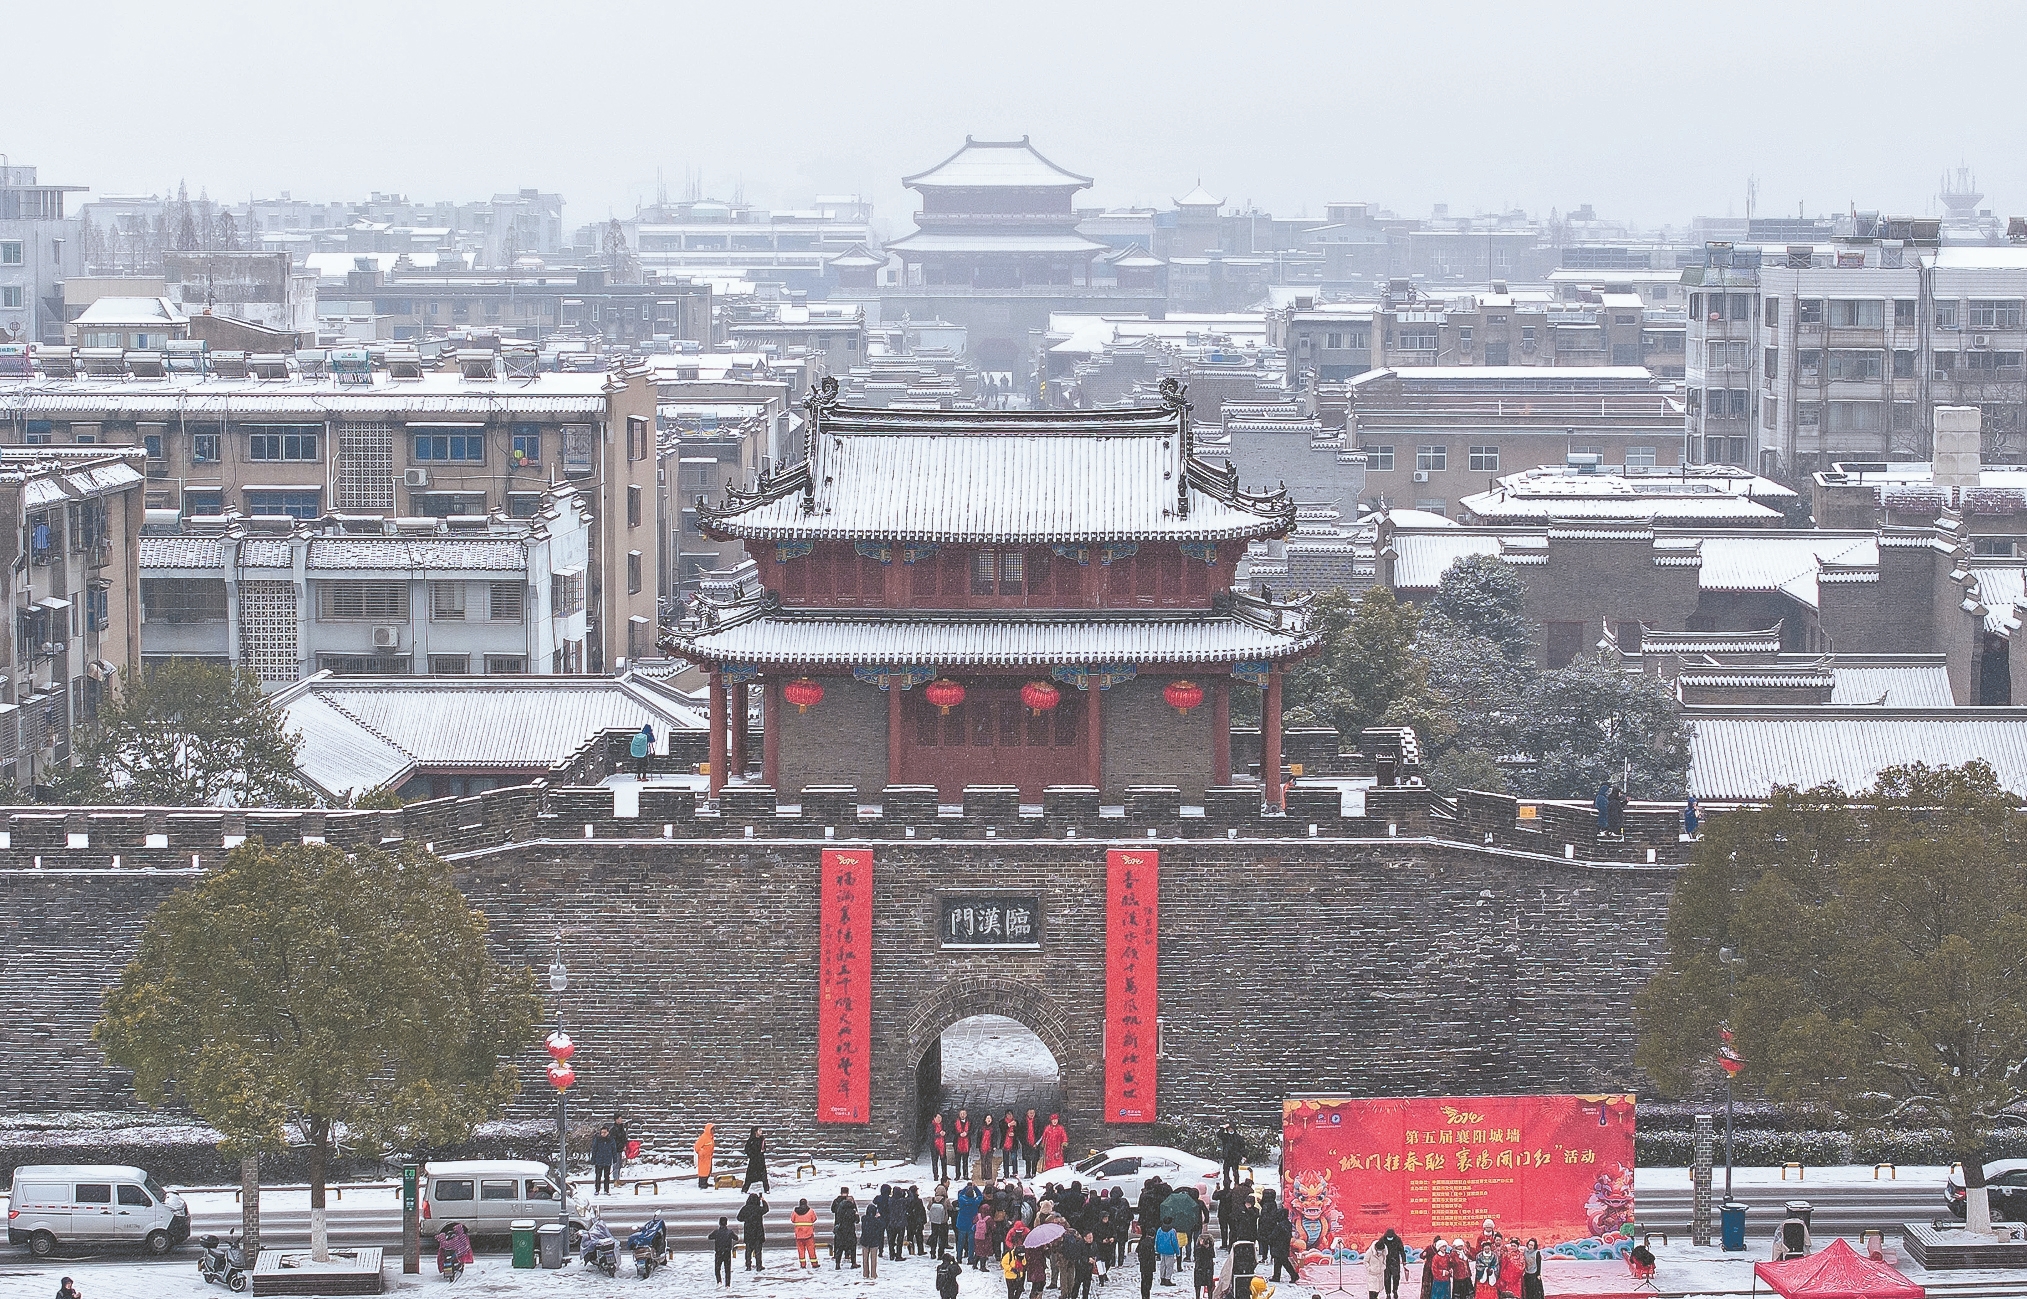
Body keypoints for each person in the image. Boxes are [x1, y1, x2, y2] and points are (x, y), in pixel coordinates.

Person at [1259, 1191, 1295, 1283]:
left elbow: (1273, 1235)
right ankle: (1276, 1276)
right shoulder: (1287, 1224)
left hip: (1279, 1246)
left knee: (1283, 1262)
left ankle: (1293, 1275)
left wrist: (1266, 1239)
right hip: (1283, 1246)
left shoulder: (1279, 1226)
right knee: (1279, 1261)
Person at [738, 1191, 769, 1270]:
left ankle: (748, 1265)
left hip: (748, 1232)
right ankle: (759, 1266)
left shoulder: (745, 1208)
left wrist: (747, 1219)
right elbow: (766, 1209)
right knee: (758, 1250)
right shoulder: (758, 1209)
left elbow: (739, 1218)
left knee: (748, 1250)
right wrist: (763, 1200)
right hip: (758, 1232)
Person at [957, 1180, 985, 1264]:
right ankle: (970, 1258)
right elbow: (980, 1196)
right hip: (971, 1224)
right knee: (971, 1243)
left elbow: (960, 1194)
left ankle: (959, 1258)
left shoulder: (961, 1200)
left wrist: (967, 1187)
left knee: (960, 1243)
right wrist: (975, 1188)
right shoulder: (975, 1202)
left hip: (961, 1223)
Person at [831, 1186, 859, 1269]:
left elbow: (832, 1210)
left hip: (839, 1226)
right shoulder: (852, 1207)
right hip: (850, 1228)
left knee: (839, 1244)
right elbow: (856, 1220)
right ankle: (850, 1258)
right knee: (852, 1244)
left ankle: (837, 1261)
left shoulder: (837, 1202)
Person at [1138, 1209, 1161, 1299]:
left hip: (1143, 1266)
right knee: (1147, 1282)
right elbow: (1149, 1256)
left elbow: (1140, 1254)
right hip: (1148, 1266)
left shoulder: (1143, 1242)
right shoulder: (1150, 1244)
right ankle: (1146, 1296)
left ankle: (1144, 1295)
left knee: (1144, 1281)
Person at [709, 1216, 739, 1287]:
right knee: (727, 1270)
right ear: (726, 1223)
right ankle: (727, 1285)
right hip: (727, 1253)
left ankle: (719, 1282)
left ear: (719, 1223)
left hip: (719, 1252)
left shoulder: (716, 1232)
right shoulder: (730, 1232)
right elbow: (736, 1238)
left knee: (717, 1268)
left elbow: (710, 1237)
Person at [792, 1197, 819, 1268]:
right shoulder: (810, 1211)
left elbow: (792, 1220)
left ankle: (803, 1264)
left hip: (799, 1234)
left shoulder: (795, 1211)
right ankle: (814, 1264)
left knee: (801, 1250)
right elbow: (814, 1219)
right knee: (811, 1250)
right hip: (808, 1234)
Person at [861, 1198, 884, 1279]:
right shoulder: (876, 1221)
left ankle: (865, 1273)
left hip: (865, 1240)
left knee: (865, 1259)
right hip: (874, 1241)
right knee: (873, 1259)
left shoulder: (864, 1219)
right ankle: (873, 1274)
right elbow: (881, 1226)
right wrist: (879, 1217)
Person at [591, 1124, 617, 1195]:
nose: (603, 1134)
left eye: (604, 1132)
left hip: (607, 1160)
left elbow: (614, 1149)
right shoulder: (597, 1139)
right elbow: (594, 1149)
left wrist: (615, 1159)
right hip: (599, 1160)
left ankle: (606, 1190)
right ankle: (597, 1189)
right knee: (598, 1176)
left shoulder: (611, 1139)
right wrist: (593, 1159)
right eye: (602, 1132)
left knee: (607, 1176)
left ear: (608, 1132)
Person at [743, 1126, 770, 1193]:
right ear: (755, 1132)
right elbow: (747, 1150)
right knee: (749, 1176)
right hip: (753, 1161)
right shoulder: (751, 1140)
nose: (761, 1132)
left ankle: (766, 1189)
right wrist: (753, 1155)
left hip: (760, 1160)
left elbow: (764, 1148)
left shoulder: (762, 1139)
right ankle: (745, 1189)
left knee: (764, 1176)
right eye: (759, 1130)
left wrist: (763, 1151)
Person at [1379, 1229, 1405, 1299]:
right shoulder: (1382, 1240)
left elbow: (1402, 1250)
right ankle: (1388, 1293)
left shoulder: (1397, 1240)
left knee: (1396, 1278)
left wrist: (1404, 1261)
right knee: (1387, 1279)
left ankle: (1395, 1290)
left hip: (1395, 1262)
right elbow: (1378, 1250)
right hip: (1386, 1263)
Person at [1219, 1123, 1245, 1189]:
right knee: (1226, 1172)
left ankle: (1236, 1184)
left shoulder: (1238, 1137)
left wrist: (1243, 1156)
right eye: (1229, 1129)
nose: (1230, 1130)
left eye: (1231, 1129)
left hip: (1235, 1157)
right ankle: (1226, 1185)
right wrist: (1223, 1128)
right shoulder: (1225, 1137)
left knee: (1235, 1172)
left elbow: (1243, 1147)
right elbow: (1219, 1135)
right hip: (1227, 1157)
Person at [1157, 1217, 1181, 1286]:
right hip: (1170, 1251)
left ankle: (1162, 1278)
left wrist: (1157, 1249)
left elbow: (1157, 1240)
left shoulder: (1159, 1230)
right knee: (1169, 1266)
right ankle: (1167, 1279)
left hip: (1162, 1250)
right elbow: (1174, 1242)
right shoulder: (1172, 1231)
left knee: (1162, 1265)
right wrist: (1177, 1252)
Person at [930, 1184, 952, 1256]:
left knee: (934, 1236)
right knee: (942, 1238)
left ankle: (933, 1252)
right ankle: (940, 1253)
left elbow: (928, 1207)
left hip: (934, 1222)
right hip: (943, 1222)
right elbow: (950, 1208)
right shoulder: (946, 1200)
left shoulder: (932, 1199)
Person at [1195, 1232, 1218, 1299]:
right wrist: (1202, 1247)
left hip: (1205, 1267)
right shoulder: (1199, 1248)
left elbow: (1212, 1255)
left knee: (1207, 1284)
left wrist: (1207, 1247)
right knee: (1200, 1285)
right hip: (1203, 1268)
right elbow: (1197, 1255)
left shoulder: (1209, 1248)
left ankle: (1208, 1297)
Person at [909, 1185, 929, 1256]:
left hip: (910, 1222)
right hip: (918, 1221)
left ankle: (911, 1251)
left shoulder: (908, 1200)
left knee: (910, 1237)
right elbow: (922, 1211)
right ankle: (920, 1250)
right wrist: (923, 1220)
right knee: (919, 1237)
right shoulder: (918, 1201)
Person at [695, 1122, 716, 1190]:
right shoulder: (704, 1137)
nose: (714, 1131)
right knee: (703, 1171)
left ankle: (705, 1182)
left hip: (708, 1157)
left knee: (708, 1170)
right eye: (712, 1129)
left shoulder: (710, 1137)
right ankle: (702, 1183)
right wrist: (702, 1153)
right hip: (703, 1157)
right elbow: (697, 1147)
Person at [1024, 1108, 1043, 1178]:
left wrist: (1037, 1143)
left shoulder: (1038, 1121)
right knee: (1027, 1159)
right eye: (1030, 1113)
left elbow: (1040, 1132)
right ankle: (1027, 1172)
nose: (1031, 1114)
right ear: (1027, 1113)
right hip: (1026, 1143)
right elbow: (1021, 1132)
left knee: (1035, 1159)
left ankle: (1034, 1172)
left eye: (1033, 1113)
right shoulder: (1024, 1121)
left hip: (1035, 1143)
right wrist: (1024, 1142)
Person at [931, 1114, 950, 1182]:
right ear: (934, 1118)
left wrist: (945, 1133)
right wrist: (938, 1134)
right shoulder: (932, 1125)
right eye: (938, 1117)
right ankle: (935, 1175)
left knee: (944, 1161)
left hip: (942, 1145)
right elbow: (930, 1135)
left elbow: (948, 1132)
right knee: (935, 1161)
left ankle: (944, 1175)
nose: (939, 1119)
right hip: (934, 1146)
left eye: (940, 1118)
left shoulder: (943, 1125)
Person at [955, 1110, 973, 1181]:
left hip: (966, 1143)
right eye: (961, 1113)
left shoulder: (969, 1122)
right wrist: (959, 1134)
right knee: (957, 1161)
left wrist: (967, 1133)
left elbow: (972, 1130)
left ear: (966, 1114)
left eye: (964, 1114)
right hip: (957, 1143)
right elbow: (952, 1130)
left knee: (965, 1160)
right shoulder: (955, 1122)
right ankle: (957, 1175)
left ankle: (965, 1175)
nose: (962, 1115)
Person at [980, 1114, 998, 1182]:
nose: (989, 1119)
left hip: (990, 1146)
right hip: (983, 1146)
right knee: (983, 1162)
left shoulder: (993, 1128)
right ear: (985, 1119)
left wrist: (994, 1145)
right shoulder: (982, 1128)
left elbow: (995, 1138)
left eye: (990, 1118)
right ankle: (983, 1175)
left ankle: (989, 1175)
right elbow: (979, 1137)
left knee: (989, 1162)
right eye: (987, 1118)